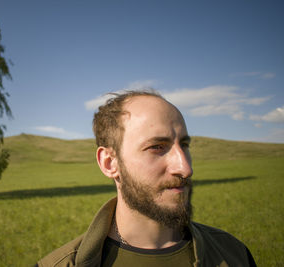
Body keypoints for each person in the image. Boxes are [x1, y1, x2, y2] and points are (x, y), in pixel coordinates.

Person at [37, 90, 256, 267]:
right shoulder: (60, 264)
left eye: (185, 145)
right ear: (109, 163)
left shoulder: (234, 254)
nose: (185, 168)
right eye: (157, 147)